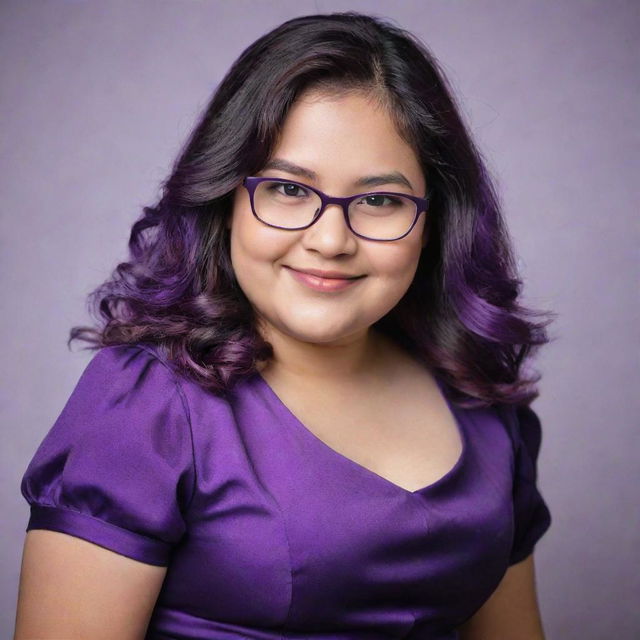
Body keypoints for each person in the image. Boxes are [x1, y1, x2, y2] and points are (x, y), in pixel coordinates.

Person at [14, 11, 554, 640]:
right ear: (226, 200)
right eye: (287, 190)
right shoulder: (146, 405)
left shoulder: (478, 393)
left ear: (435, 221)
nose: (330, 239)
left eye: (380, 200)